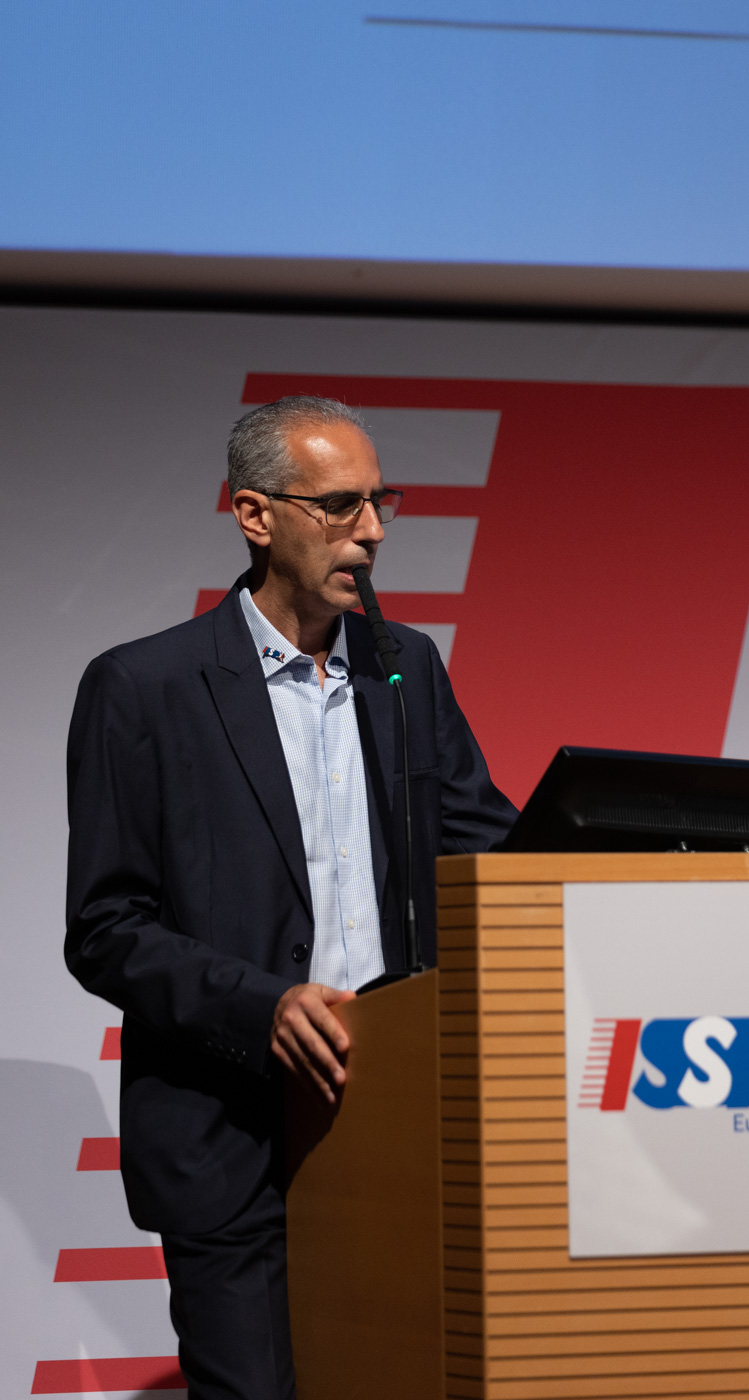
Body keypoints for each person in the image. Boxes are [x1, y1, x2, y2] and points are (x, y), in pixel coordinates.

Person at [65, 396, 517, 1400]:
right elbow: (105, 929)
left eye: (381, 501)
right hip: (230, 1129)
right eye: (342, 504)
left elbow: (486, 851)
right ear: (254, 513)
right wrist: (262, 1005)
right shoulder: (145, 688)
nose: (373, 530)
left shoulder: (405, 667)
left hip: (396, 1116)